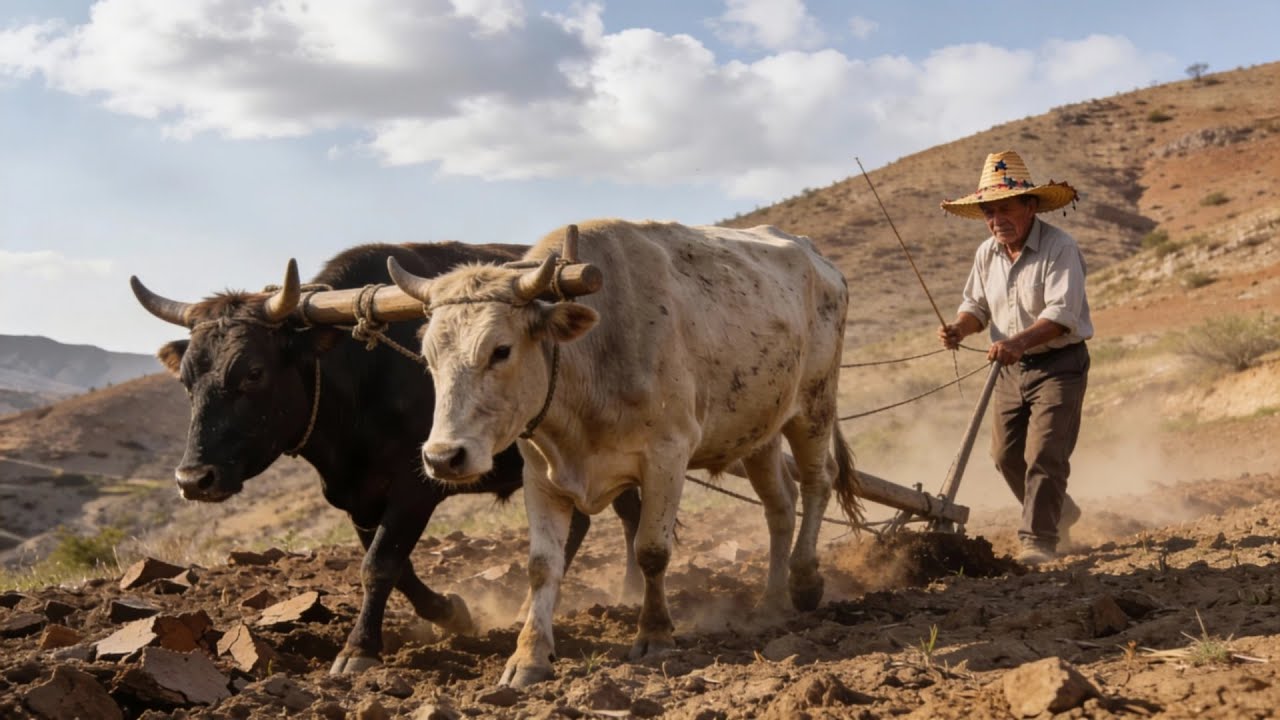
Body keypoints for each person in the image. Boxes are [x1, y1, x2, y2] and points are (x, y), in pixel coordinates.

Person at [936, 150, 1092, 566]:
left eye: (1005, 208)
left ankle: (1038, 539)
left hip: (1059, 365)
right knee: (1005, 456)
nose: (996, 220)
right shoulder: (986, 253)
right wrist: (959, 328)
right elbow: (977, 308)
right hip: (1008, 369)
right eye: (989, 212)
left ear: (1030, 205)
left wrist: (1019, 342)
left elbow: (1062, 316)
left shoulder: (1060, 248)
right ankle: (1061, 511)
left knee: (1044, 455)